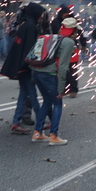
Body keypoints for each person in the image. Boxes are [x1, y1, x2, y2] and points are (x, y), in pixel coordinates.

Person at [31, 16, 77, 145]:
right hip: (49, 75)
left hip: (37, 72)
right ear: (73, 31)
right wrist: (61, 88)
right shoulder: (68, 42)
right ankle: (54, 136)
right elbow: (63, 66)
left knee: (47, 101)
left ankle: (37, 133)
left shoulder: (53, 38)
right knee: (57, 103)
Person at [0, 2, 45, 134]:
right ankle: (40, 121)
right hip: (26, 66)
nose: (41, 17)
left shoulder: (24, 24)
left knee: (23, 95)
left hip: (20, 65)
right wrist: (33, 64)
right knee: (32, 95)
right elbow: (31, 49)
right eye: (40, 14)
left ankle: (16, 122)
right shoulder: (31, 27)